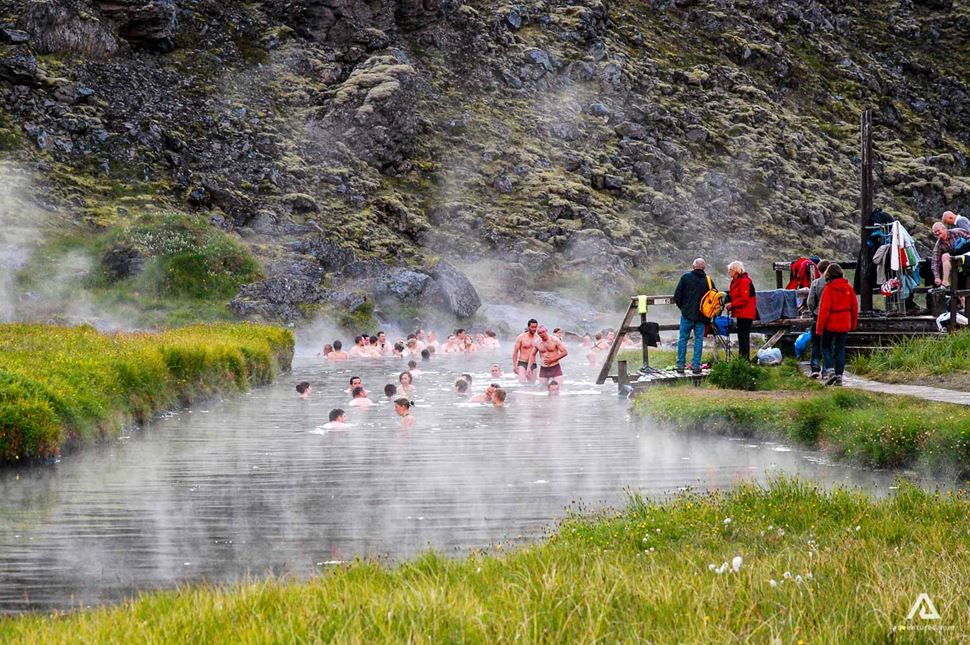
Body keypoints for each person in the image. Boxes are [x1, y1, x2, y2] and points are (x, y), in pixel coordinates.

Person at [816, 263, 859, 387]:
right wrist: (853, 324)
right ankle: (839, 376)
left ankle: (830, 371)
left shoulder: (828, 288)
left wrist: (819, 328)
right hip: (844, 322)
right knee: (840, 349)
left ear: (828, 274)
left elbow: (824, 310)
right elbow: (854, 308)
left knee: (825, 347)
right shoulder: (848, 288)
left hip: (831, 323)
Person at [673, 258, 715, 375]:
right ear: (704, 268)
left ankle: (680, 365)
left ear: (693, 266)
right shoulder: (709, 281)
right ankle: (696, 366)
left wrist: (683, 308)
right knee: (698, 340)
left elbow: (677, 296)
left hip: (687, 314)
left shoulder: (685, 278)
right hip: (702, 317)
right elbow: (714, 299)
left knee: (683, 340)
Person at [725, 261, 757, 361]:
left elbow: (744, 298)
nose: (729, 272)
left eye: (730, 270)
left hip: (746, 313)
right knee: (742, 336)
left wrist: (732, 304)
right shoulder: (736, 281)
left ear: (735, 270)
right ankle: (742, 359)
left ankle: (745, 359)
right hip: (741, 313)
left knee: (744, 336)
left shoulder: (743, 281)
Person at [805, 259, 831, 378]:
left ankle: (815, 368)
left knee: (815, 342)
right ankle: (827, 370)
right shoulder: (832, 282)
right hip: (831, 317)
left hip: (817, 315)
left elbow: (810, 301)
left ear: (819, 270)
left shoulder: (815, 283)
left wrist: (813, 310)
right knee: (829, 344)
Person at [931, 222, 970, 288]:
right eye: (935, 232)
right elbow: (935, 261)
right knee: (945, 256)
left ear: (944, 229)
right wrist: (937, 277)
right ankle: (945, 282)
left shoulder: (957, 232)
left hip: (966, 254)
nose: (937, 233)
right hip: (956, 262)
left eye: (938, 231)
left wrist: (963, 244)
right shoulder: (938, 245)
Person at [511, 319, 540, 383]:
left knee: (532, 385)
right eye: (532, 327)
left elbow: (542, 352)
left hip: (533, 364)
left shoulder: (538, 338)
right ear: (528, 327)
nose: (534, 329)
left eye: (535, 327)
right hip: (522, 363)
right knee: (522, 383)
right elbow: (515, 352)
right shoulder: (521, 337)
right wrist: (514, 366)